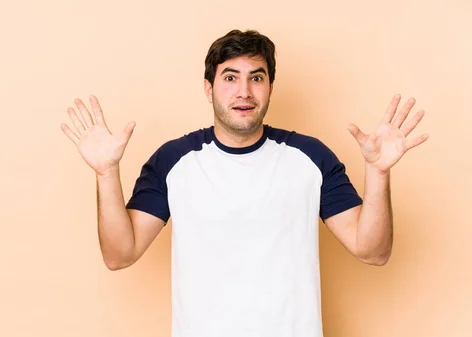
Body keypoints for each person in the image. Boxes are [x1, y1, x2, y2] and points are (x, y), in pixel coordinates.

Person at [60, 29, 429, 337]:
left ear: (270, 86)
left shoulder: (310, 157)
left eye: (256, 77)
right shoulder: (173, 161)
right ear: (209, 88)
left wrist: (379, 172)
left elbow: (373, 251)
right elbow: (119, 254)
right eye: (230, 77)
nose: (244, 92)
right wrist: (106, 173)